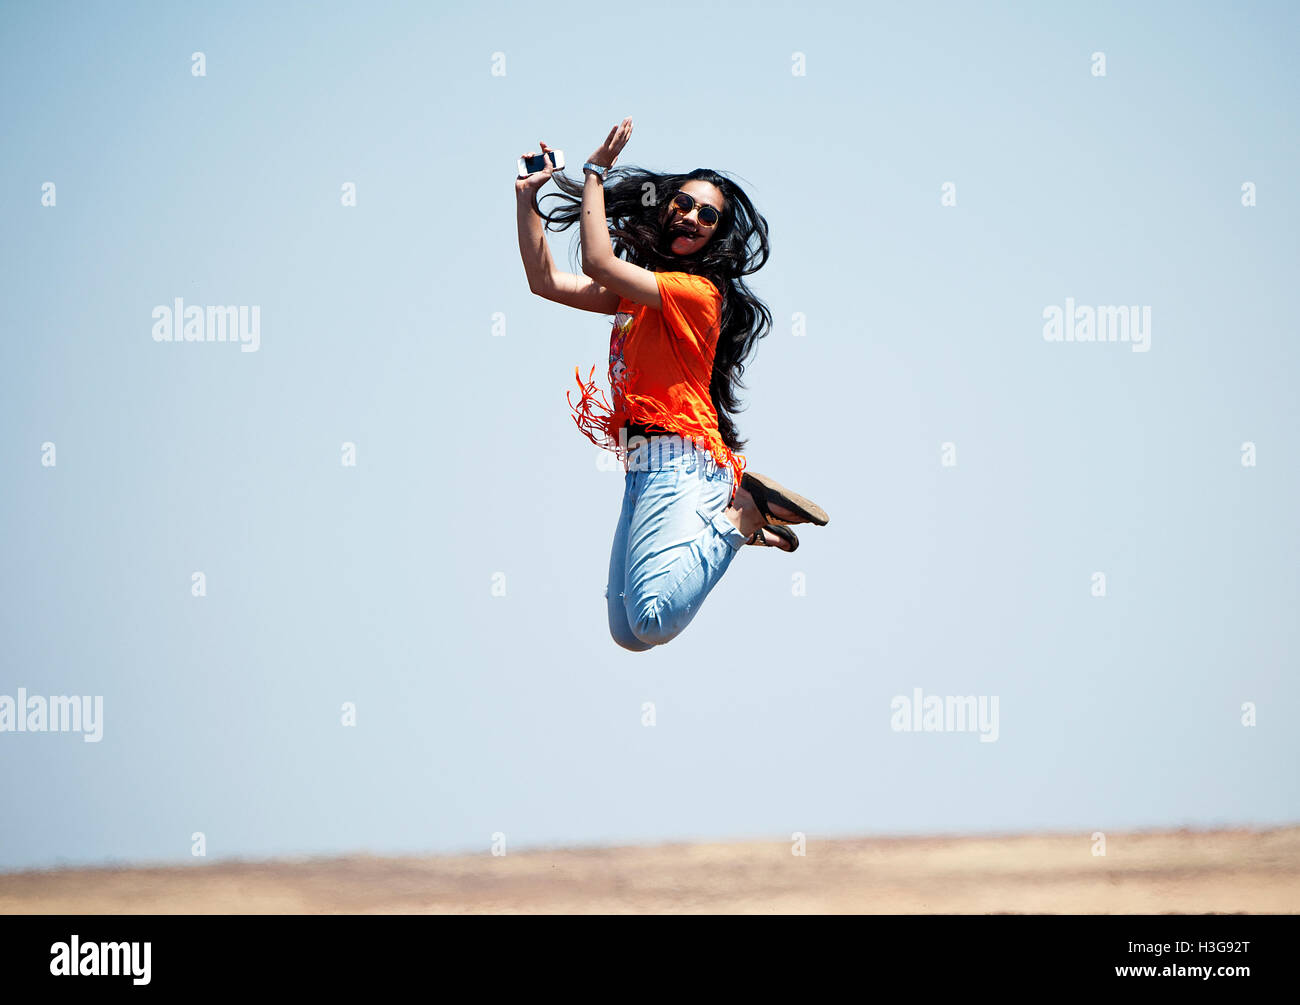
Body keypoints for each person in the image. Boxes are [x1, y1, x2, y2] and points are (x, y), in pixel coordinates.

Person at [515, 117, 829, 651]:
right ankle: (736, 522)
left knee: (654, 621)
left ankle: (743, 513)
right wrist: (528, 200)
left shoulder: (696, 291)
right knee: (628, 633)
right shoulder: (639, 295)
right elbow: (543, 281)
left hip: (682, 455)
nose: (692, 217)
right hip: (642, 462)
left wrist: (595, 173)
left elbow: (596, 260)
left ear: (717, 233)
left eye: (708, 214)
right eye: (683, 204)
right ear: (663, 209)